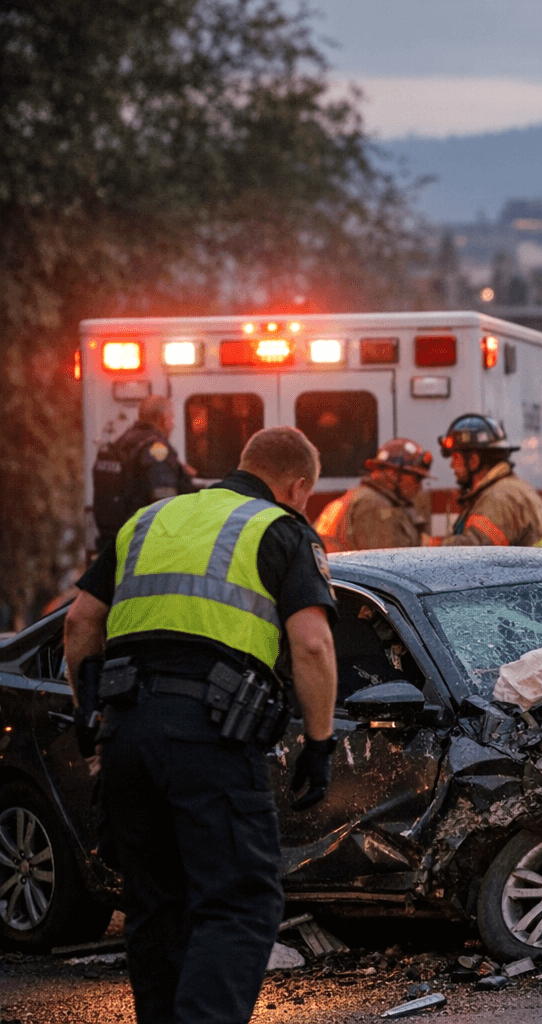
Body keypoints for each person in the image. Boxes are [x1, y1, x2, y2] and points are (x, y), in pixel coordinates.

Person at [63, 425, 339, 1024]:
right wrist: (319, 744)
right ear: (296, 487)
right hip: (210, 737)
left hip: (127, 734)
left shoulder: (147, 520)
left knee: (155, 905)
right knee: (239, 903)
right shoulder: (281, 529)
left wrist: (89, 712)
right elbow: (313, 646)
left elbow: (81, 622)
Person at [426, 413, 542, 548]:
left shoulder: (499, 497)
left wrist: (426, 546)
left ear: (474, 461)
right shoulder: (509, 489)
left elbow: (475, 553)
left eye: (456, 458)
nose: (452, 465)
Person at [91, 394, 197, 548]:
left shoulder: (124, 441)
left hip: (118, 540)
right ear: (161, 420)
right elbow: (164, 499)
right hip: (145, 543)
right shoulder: (157, 448)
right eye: (171, 418)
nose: (173, 424)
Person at [314, 438, 432, 552]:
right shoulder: (373, 506)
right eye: (417, 478)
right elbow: (388, 564)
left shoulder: (365, 497)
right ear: (392, 473)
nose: (419, 486)